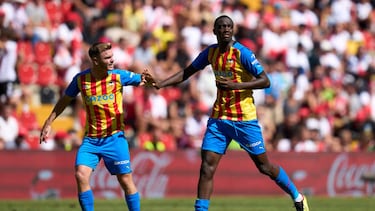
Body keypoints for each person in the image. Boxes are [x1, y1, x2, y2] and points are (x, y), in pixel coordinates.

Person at [153, 15, 309, 211]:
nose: (226, 29)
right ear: (214, 31)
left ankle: (297, 196)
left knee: (264, 167)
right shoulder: (210, 53)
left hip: (244, 119)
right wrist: (161, 83)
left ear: (232, 30)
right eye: (221, 26)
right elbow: (188, 71)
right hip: (219, 119)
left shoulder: (243, 53)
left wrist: (236, 85)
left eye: (229, 26)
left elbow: (265, 80)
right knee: (207, 167)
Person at [40, 42, 153, 211]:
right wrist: (49, 122)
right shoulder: (81, 80)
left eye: (112, 56)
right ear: (95, 60)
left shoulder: (118, 76)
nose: (111, 60)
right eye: (107, 57)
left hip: (115, 138)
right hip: (91, 140)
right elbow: (65, 100)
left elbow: (144, 80)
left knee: (125, 180)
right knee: (80, 174)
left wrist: (149, 79)